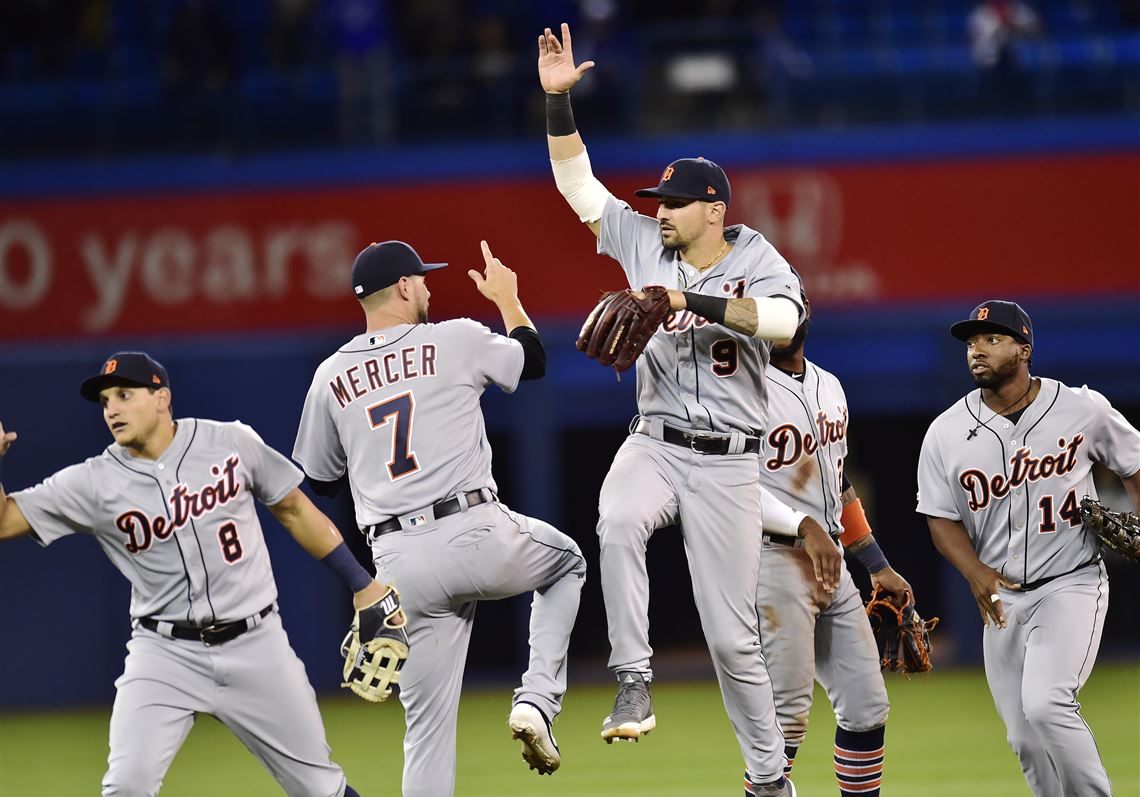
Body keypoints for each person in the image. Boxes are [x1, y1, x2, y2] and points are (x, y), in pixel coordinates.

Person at [537, 22, 837, 797]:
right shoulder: (641, 243)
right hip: (657, 440)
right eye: (658, 202)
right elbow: (578, 186)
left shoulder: (758, 258)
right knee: (615, 518)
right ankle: (632, 676)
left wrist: (686, 300)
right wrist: (558, 105)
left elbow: (785, 324)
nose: (660, 211)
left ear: (713, 207)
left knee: (735, 643)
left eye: (674, 203)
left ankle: (770, 780)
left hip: (732, 461)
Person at [0, 351, 386, 797]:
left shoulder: (230, 442)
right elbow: (5, 520)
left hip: (256, 645)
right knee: (125, 786)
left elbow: (294, 508)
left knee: (321, 787)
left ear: (162, 397)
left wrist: (363, 583)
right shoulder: (93, 482)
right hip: (163, 655)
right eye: (105, 401)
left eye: (125, 395)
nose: (113, 410)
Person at [292, 239, 586, 797]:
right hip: (474, 529)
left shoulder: (329, 375)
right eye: (421, 279)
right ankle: (537, 702)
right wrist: (508, 299)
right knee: (566, 564)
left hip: (397, 564)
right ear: (404, 287)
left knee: (425, 733)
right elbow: (533, 360)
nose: (427, 286)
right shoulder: (454, 336)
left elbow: (322, 481)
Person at [917, 300, 1140, 797]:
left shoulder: (1082, 408)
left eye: (992, 339)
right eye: (971, 342)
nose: (977, 350)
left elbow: (1134, 461)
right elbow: (940, 518)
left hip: (1072, 581)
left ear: (1024, 348)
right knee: (1025, 739)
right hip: (1000, 600)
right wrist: (974, 571)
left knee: (1047, 705)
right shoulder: (945, 432)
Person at [756, 289, 914, 797]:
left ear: (805, 313)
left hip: (833, 564)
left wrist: (876, 563)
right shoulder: (737, 388)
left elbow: (839, 484)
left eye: (787, 305)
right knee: (787, 720)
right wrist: (803, 524)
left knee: (868, 707)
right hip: (769, 559)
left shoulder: (830, 386)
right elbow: (728, 488)